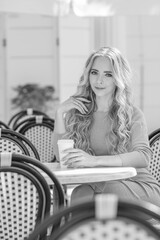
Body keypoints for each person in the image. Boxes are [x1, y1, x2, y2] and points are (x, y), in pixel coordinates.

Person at [53, 46, 160, 207]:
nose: (99, 80)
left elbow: (143, 156)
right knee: (80, 193)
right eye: (94, 72)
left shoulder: (132, 113)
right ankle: (70, 232)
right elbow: (62, 157)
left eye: (108, 75)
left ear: (118, 78)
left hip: (137, 186)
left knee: (109, 189)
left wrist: (94, 161)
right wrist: (59, 113)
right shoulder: (78, 113)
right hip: (100, 185)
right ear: (87, 75)